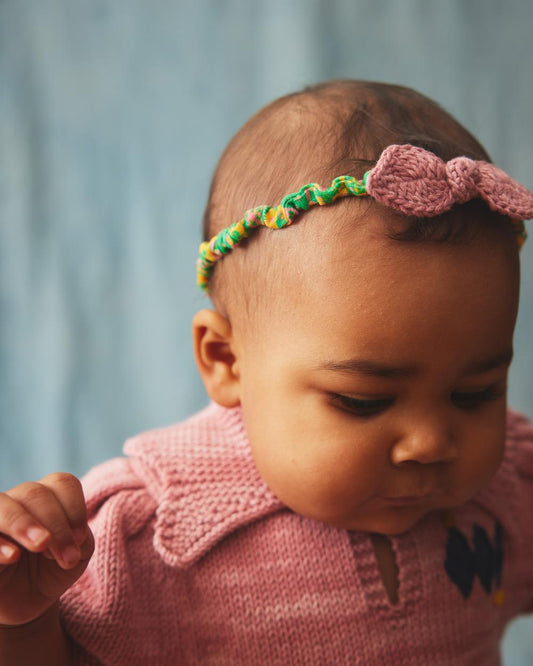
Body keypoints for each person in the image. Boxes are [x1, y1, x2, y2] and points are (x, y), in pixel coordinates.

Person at [1, 80, 533, 665]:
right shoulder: (156, 537)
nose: (431, 442)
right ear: (225, 360)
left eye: (476, 393)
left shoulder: (507, 489)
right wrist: (22, 623)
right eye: (362, 400)